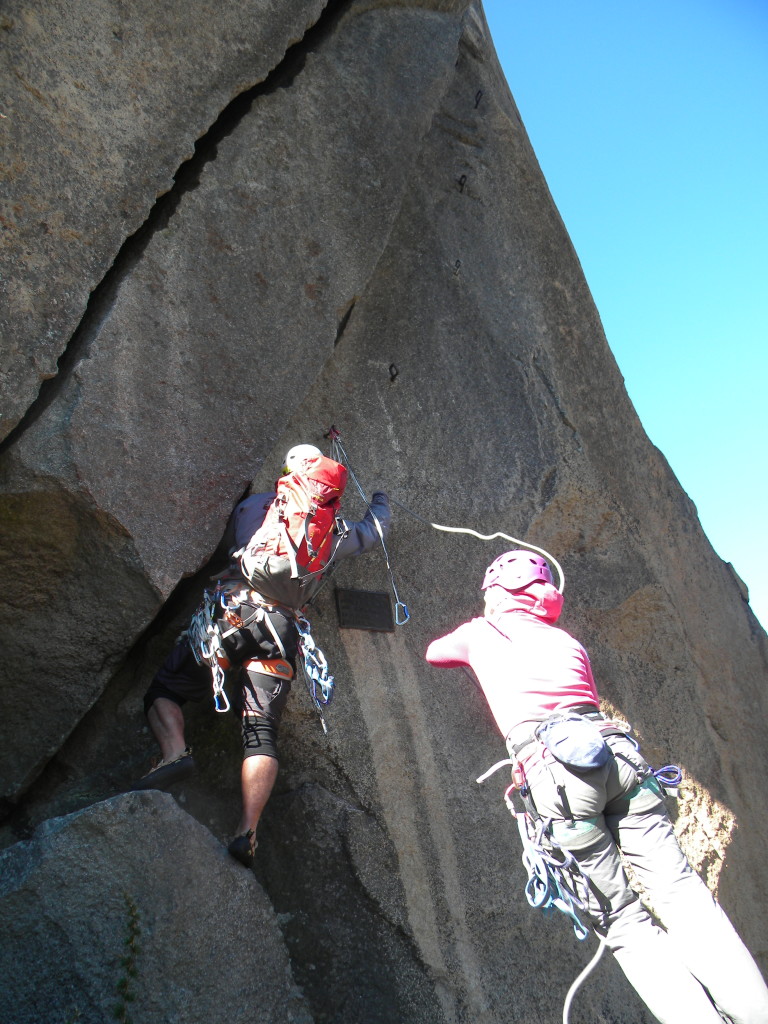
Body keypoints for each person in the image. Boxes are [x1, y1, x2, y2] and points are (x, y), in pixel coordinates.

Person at [425, 549, 768, 1024]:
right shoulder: (567, 641)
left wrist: (485, 623)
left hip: (559, 778)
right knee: (681, 892)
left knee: (624, 922)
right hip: (620, 760)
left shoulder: (481, 632)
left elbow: (434, 652)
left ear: (498, 591)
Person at [132, 444, 390, 867]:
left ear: (286, 474)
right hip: (281, 629)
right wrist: (381, 501)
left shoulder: (253, 507)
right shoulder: (331, 529)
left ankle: (175, 753)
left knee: (165, 689)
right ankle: (247, 831)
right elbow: (374, 530)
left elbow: (230, 544)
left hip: (234, 614)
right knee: (261, 732)